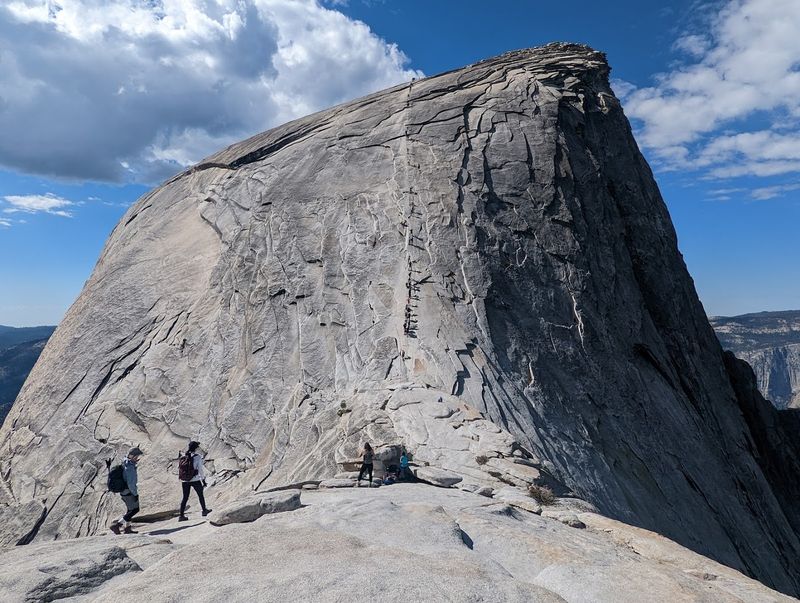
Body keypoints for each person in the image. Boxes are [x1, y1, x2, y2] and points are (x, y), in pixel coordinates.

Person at [109, 447, 143, 535]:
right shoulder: (129, 467)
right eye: (136, 456)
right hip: (128, 491)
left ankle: (127, 528)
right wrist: (135, 494)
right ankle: (117, 525)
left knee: (130, 510)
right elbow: (131, 483)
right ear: (131, 456)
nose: (137, 458)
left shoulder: (125, 463)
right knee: (135, 510)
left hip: (124, 491)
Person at [178, 440, 212, 521]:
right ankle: (204, 511)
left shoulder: (183, 456)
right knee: (200, 495)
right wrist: (203, 480)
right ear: (196, 448)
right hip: (195, 480)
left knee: (185, 498)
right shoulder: (197, 457)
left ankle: (181, 516)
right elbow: (200, 470)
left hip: (185, 481)